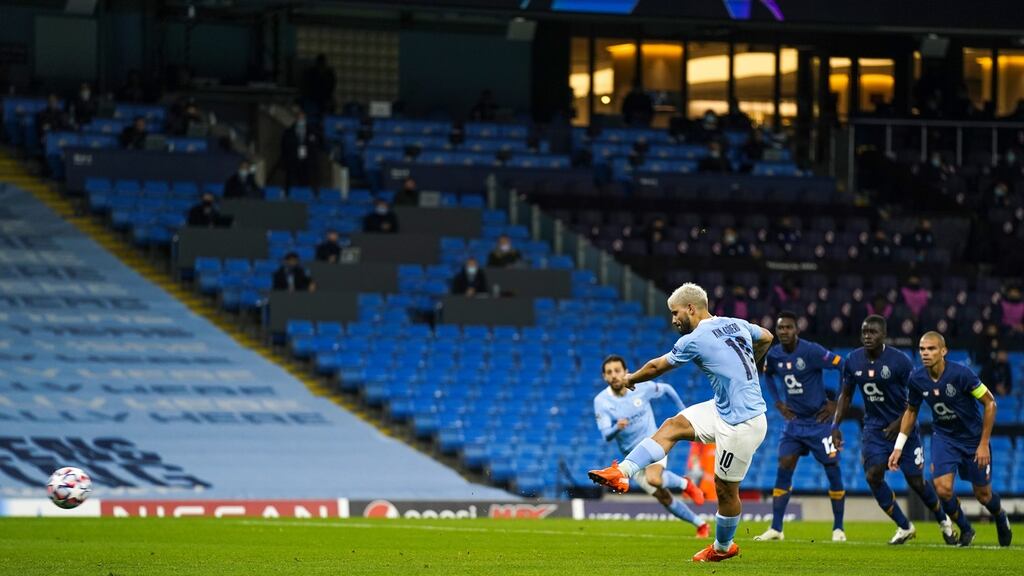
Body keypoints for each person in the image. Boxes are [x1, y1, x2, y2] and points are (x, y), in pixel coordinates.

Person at [588, 283, 773, 563]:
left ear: (691, 308)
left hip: (743, 422)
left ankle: (723, 547)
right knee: (672, 425)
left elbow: (656, 367)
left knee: (725, 490)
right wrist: (753, 367)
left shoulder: (695, 338)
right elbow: (767, 337)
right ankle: (621, 471)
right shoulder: (736, 323)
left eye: (675, 313)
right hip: (721, 408)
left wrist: (629, 379)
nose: (673, 319)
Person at [832, 316, 956, 545]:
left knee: (916, 482)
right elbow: (846, 394)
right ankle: (904, 525)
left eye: (873, 332)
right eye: (864, 332)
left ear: (884, 335)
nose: (868, 336)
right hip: (874, 428)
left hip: (904, 428)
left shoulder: (900, 361)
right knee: (873, 475)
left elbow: (916, 397)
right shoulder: (853, 360)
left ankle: (943, 521)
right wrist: (835, 426)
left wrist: (899, 423)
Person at [888, 332, 1011, 547]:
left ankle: (1000, 516)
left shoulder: (962, 374)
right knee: (942, 489)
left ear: (943, 351)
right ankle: (965, 528)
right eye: (922, 349)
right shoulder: (916, 379)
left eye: (931, 349)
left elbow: (990, 403)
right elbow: (911, 411)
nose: (925, 353)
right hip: (944, 437)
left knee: (983, 495)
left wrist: (983, 444)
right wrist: (898, 447)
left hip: (973, 440)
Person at [593, 355, 709, 537]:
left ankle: (686, 484)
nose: (614, 375)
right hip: (631, 456)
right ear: (604, 377)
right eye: (609, 372)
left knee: (654, 478)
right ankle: (701, 524)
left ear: (626, 372)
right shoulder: (601, 401)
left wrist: (683, 410)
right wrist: (617, 427)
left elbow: (667, 389)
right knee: (663, 497)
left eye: (617, 371)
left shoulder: (641, 386)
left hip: (654, 443)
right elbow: (606, 435)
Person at [756, 311, 846, 542]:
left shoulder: (812, 351)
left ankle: (838, 528)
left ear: (797, 330)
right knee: (784, 466)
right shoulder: (774, 355)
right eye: (780, 328)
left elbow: (842, 365)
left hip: (819, 422)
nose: (784, 332)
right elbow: (768, 376)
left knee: (832, 469)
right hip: (794, 424)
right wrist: (777, 403)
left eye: (788, 327)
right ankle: (776, 528)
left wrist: (836, 401)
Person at [281, 110, 319, 190]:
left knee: (309, 175)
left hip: (308, 157)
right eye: (300, 117)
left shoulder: (311, 130)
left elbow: (315, 145)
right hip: (293, 156)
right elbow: (285, 145)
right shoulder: (289, 131)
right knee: (292, 175)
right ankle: (289, 192)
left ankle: (312, 193)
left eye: (303, 118)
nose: (301, 119)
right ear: (297, 118)